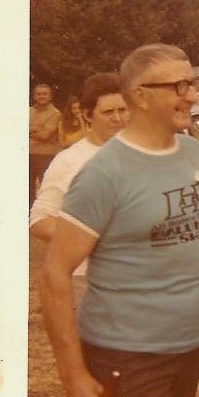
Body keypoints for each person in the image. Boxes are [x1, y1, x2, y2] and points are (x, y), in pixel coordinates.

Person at [39, 44, 199, 397]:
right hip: (128, 358)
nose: (192, 94)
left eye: (192, 83)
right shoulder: (104, 174)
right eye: (180, 85)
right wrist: (74, 378)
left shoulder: (194, 152)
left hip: (192, 348)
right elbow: (53, 275)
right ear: (141, 95)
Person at [30, 73, 128, 302]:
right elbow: (39, 220)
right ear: (87, 115)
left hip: (143, 278)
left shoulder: (145, 154)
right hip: (89, 279)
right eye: (108, 112)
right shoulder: (69, 160)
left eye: (122, 110)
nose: (117, 118)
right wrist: (91, 241)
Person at [29, 83, 61, 206]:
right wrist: (36, 129)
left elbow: (45, 135)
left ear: (50, 96)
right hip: (28, 153)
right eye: (38, 94)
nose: (41, 96)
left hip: (46, 155)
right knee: (26, 187)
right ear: (34, 96)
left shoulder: (55, 113)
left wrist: (30, 130)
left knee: (46, 187)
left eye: (44, 94)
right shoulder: (28, 111)